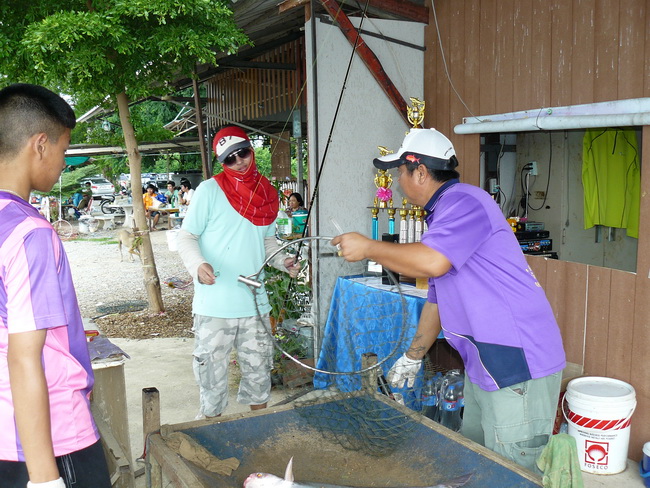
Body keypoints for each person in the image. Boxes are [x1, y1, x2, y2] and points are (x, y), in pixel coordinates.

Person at [332, 127, 566, 472]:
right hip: (487, 362)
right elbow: (437, 299)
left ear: (421, 172)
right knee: (476, 458)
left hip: (517, 364)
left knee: (513, 470)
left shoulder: (465, 202)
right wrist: (412, 357)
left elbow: (432, 262)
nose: (397, 181)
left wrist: (369, 247)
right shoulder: (444, 215)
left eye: (400, 171)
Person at [0, 83, 111, 488]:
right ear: (40, 144)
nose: (64, 162)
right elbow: (24, 356)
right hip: (49, 438)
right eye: (64, 150)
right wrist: (45, 479)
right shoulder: (29, 233)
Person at [177, 125, 300, 419]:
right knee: (212, 380)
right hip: (214, 305)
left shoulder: (268, 193)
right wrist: (197, 264)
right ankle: (211, 432)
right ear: (222, 163)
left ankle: (259, 430)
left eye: (242, 153)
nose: (239, 162)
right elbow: (186, 237)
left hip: (254, 305)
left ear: (251, 151)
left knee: (260, 375)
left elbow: (267, 242)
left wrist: (284, 261)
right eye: (230, 158)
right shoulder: (209, 190)